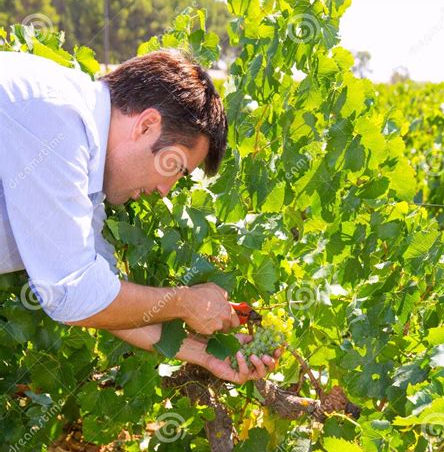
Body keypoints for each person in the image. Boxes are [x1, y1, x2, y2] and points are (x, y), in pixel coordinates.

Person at [0, 48, 280, 382]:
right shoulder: (56, 118)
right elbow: (72, 294)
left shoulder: (84, 169)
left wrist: (205, 352)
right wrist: (184, 302)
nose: (164, 190)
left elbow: (99, 293)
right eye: (174, 166)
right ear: (146, 125)